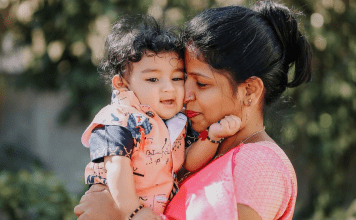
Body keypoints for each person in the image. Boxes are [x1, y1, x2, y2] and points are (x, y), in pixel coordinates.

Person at [74, 1, 312, 219]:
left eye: (201, 83)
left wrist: (118, 212)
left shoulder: (260, 163)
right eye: (184, 79)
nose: (184, 95)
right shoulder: (196, 144)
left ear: (249, 90)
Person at [80, 15, 241, 219]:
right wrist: (135, 212)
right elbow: (116, 168)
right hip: (116, 210)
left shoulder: (175, 122)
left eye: (176, 78)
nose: (169, 88)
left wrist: (212, 136)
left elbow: (188, 162)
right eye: (153, 79)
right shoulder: (118, 118)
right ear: (122, 84)